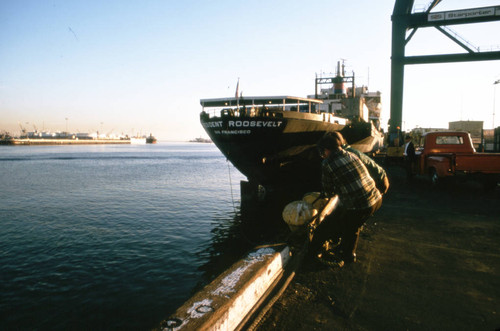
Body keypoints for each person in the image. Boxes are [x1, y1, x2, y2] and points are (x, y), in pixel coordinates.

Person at [312, 133, 383, 268]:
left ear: (327, 149)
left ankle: (346, 255)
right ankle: (344, 248)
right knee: (352, 225)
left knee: (343, 224)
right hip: (376, 199)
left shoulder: (327, 163)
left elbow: (328, 191)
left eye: (323, 151)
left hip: (363, 205)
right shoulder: (350, 154)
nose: (323, 154)